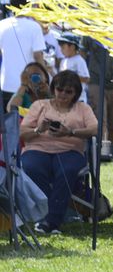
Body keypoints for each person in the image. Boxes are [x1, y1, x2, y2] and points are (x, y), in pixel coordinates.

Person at [18, 70, 97, 234]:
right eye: (59, 89)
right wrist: (39, 130)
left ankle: (50, 220)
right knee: (31, 166)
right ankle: (48, 217)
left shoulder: (82, 108)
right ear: (53, 88)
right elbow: (22, 132)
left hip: (70, 150)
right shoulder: (39, 105)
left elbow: (94, 129)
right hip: (38, 148)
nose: (63, 94)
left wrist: (70, 132)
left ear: (75, 93)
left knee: (66, 171)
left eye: (68, 91)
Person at [83, 37, 113, 153]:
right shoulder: (91, 27)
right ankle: (101, 150)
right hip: (96, 80)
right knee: (99, 118)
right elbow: (82, 51)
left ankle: (109, 149)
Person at [0, 0, 46, 108]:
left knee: (8, 122)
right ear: (28, 6)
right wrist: (45, 77)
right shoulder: (34, 27)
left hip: (6, 83)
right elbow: (38, 56)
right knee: (28, 122)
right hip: (29, 85)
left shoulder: (2, 25)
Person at [57, 33, 90, 102]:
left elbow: (86, 79)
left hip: (78, 99)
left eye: (63, 47)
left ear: (72, 47)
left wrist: (71, 77)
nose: (61, 50)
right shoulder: (63, 61)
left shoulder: (79, 60)